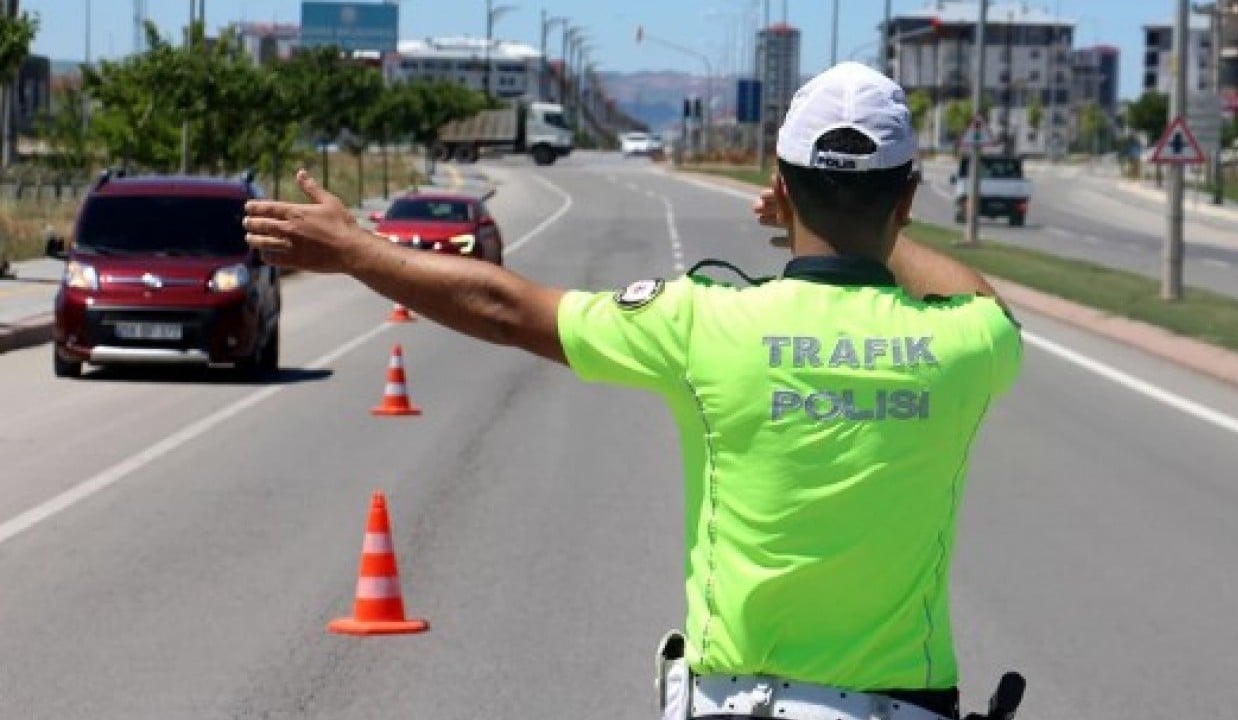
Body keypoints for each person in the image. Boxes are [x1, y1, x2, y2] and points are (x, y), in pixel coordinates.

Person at [243, 61, 1021, 720]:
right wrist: (873, 231)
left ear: (778, 185)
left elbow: (507, 309)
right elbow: (984, 302)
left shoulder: (703, 323)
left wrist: (356, 251)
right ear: (909, 198)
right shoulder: (964, 342)